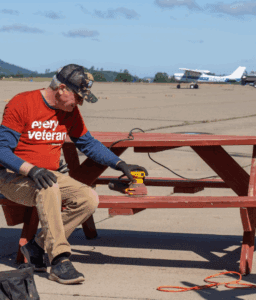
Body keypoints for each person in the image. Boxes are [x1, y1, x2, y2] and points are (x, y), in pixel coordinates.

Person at [0, 64, 148, 285]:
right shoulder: (22, 103)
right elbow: (2, 150)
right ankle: (59, 259)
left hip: (47, 175)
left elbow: (87, 143)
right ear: (61, 88)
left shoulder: (69, 112)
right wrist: (31, 169)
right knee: (49, 187)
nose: (79, 103)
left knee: (88, 198)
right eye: (78, 97)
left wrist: (120, 163)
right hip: (13, 176)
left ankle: (36, 246)